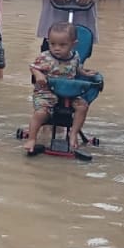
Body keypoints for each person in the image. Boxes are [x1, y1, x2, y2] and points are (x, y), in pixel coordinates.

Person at [25, 21, 98, 158]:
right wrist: (39, 74)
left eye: (62, 45)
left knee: (82, 106)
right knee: (40, 113)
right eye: (53, 44)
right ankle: (32, 138)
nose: (57, 48)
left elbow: (77, 69)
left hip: (69, 94)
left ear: (73, 44)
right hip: (47, 92)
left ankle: (73, 133)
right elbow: (33, 67)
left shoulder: (75, 56)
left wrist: (85, 73)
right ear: (48, 42)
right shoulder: (45, 57)